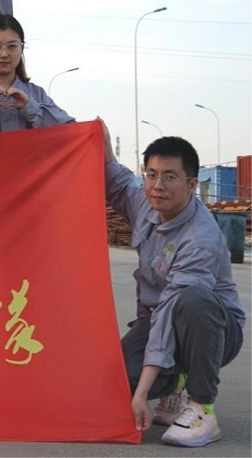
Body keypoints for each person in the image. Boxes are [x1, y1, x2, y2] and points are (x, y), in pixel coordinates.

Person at [100, 118, 245, 448]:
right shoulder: (146, 203)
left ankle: (202, 407)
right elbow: (118, 181)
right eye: (151, 174)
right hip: (155, 321)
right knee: (116, 381)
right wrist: (103, 142)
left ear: (191, 184)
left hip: (213, 331)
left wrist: (142, 395)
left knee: (193, 299)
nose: (158, 185)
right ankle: (176, 382)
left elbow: (169, 313)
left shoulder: (199, 239)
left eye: (169, 176)